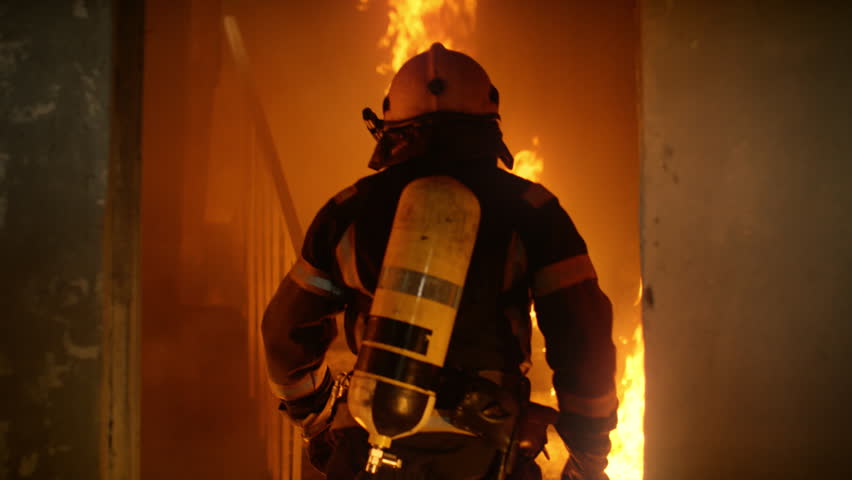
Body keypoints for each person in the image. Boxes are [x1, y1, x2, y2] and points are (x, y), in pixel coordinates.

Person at [261, 43, 617, 480]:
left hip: (368, 447)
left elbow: (283, 332)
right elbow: (585, 341)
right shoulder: (533, 211)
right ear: (489, 124)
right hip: (487, 456)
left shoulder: (347, 212)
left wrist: (315, 416)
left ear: (391, 129)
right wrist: (588, 456)